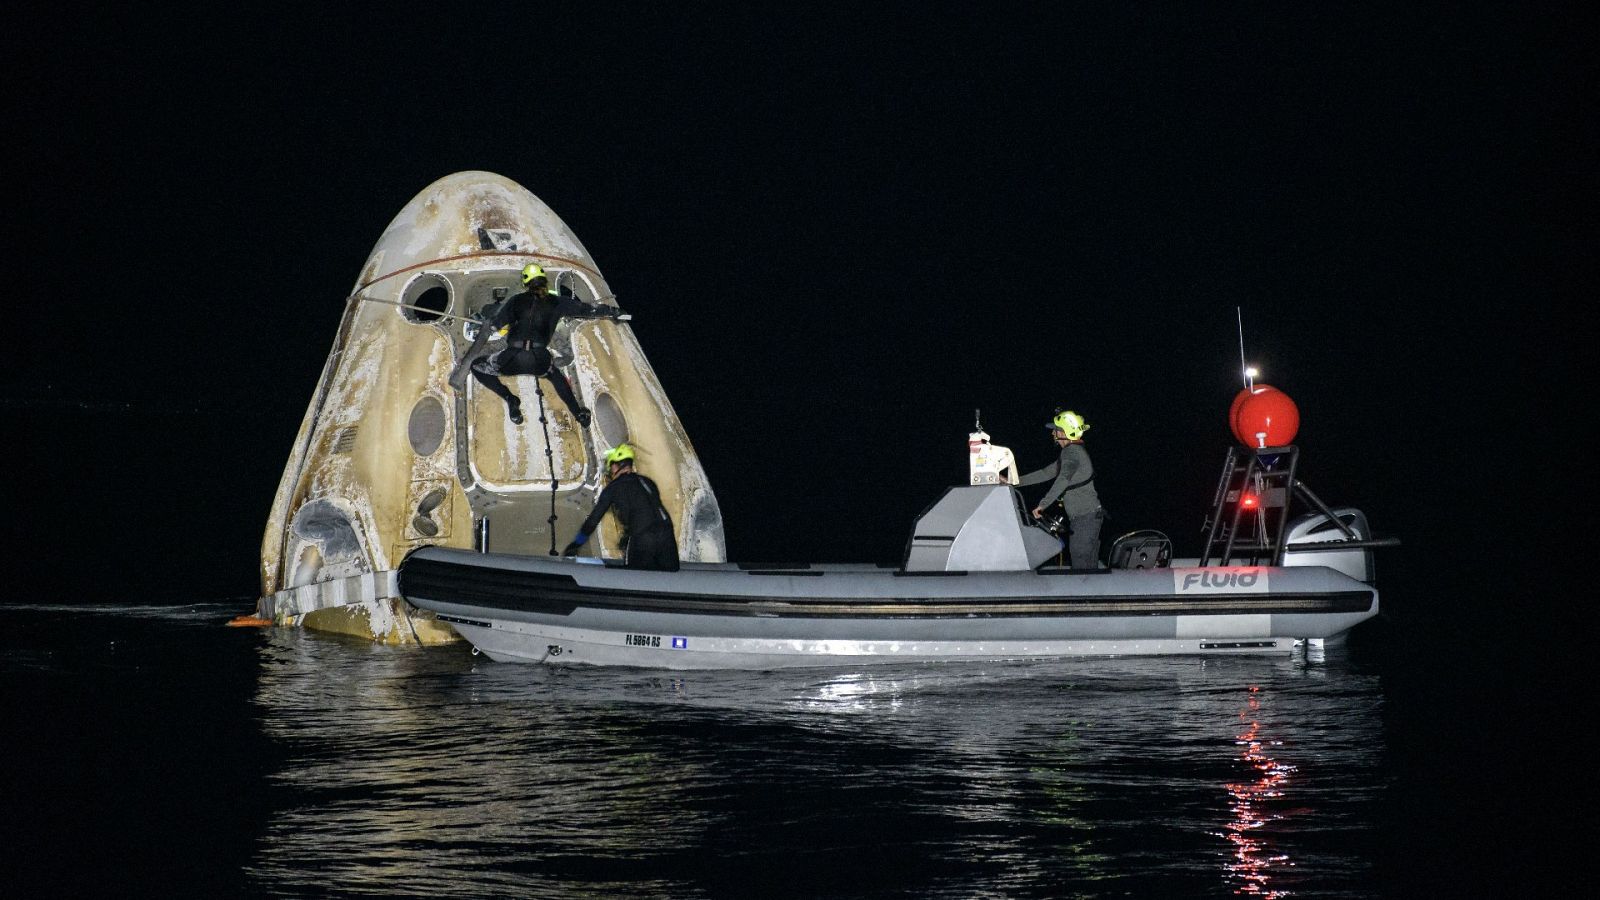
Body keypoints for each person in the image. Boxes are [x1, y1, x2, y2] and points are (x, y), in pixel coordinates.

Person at [448, 264, 629, 426]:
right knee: (554, 375)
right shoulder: (558, 302)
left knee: (478, 366)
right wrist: (614, 312)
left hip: (512, 359)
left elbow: (495, 325)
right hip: (539, 361)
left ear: (525, 284)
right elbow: (588, 311)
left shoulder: (516, 301)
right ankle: (578, 413)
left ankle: (510, 399)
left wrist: (488, 323)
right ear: (544, 281)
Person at [561, 444, 680, 571]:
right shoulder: (648, 482)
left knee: (634, 577)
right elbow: (647, 510)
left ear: (615, 466)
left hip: (642, 536)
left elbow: (593, 521)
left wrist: (576, 544)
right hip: (667, 533)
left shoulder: (613, 488)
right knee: (669, 573)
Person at [1018, 409, 1105, 569]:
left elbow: (1063, 479)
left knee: (1082, 566)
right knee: (1088, 566)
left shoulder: (1071, 452)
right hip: (1087, 518)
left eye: (1055, 430)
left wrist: (1043, 504)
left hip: (1085, 519)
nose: (1053, 433)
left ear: (1065, 432)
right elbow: (1046, 473)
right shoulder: (1072, 452)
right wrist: (1013, 482)